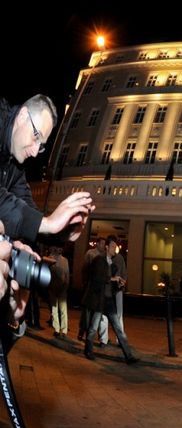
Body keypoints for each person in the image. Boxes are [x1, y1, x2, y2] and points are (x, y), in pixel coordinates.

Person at [0, 94, 95, 244]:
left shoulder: (16, 163)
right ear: (23, 116)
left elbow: (28, 211)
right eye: (36, 136)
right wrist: (47, 224)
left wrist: (63, 230)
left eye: (41, 145)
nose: (35, 152)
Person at [83, 236, 137, 364]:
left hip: (109, 301)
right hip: (99, 300)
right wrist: (113, 279)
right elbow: (97, 278)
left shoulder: (113, 265)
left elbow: (112, 283)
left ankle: (128, 356)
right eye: (112, 246)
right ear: (106, 247)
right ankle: (88, 350)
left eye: (116, 247)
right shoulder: (98, 260)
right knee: (93, 327)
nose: (115, 249)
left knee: (118, 328)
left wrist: (119, 284)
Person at [78, 238, 106, 341]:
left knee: (95, 313)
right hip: (90, 286)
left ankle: (92, 333)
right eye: (102, 243)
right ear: (97, 244)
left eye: (104, 244)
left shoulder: (104, 256)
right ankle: (82, 331)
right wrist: (85, 282)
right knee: (86, 311)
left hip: (98, 289)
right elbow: (84, 268)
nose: (103, 246)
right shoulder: (90, 253)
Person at [48, 246, 69, 338]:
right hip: (53, 286)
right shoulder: (50, 259)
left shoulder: (65, 260)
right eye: (56, 248)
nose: (57, 250)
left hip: (62, 287)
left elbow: (67, 274)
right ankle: (57, 329)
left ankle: (63, 330)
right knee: (54, 309)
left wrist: (66, 285)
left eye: (59, 248)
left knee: (62, 309)